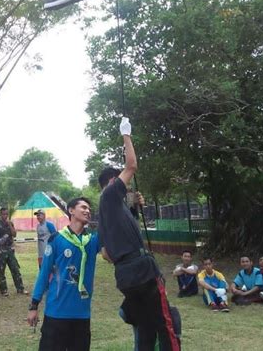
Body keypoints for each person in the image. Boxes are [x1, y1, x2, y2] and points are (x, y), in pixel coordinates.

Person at [98, 117, 180, 351]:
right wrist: (126, 134)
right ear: (113, 181)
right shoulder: (111, 194)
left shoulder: (106, 211)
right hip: (143, 272)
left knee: (146, 327)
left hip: (125, 277)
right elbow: (132, 165)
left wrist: (133, 209)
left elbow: (105, 253)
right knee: (166, 323)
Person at [27, 197, 101, 351]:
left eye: (89, 209)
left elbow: (119, 231)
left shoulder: (92, 241)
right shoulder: (57, 239)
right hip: (56, 313)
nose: (87, 211)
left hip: (81, 315)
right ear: (71, 210)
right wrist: (34, 305)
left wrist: (132, 209)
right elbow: (44, 274)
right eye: (83, 207)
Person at [0, 207, 28, 296]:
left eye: (6, 214)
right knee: (1, 271)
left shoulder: (10, 223)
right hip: (1, 251)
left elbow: (14, 234)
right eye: (3, 214)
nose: (5, 216)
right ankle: (4, 291)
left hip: (10, 250)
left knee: (15, 270)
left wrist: (10, 225)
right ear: (0, 215)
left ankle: (20, 288)